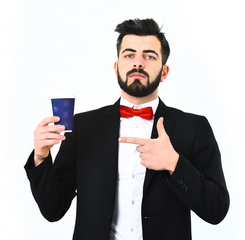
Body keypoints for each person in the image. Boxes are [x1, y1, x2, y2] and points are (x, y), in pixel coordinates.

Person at [24, 18, 229, 240]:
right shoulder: (83, 126)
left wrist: (174, 164)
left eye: (149, 56)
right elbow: (53, 209)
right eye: (129, 55)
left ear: (164, 71)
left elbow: (216, 210)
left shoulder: (195, 128)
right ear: (117, 67)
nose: (138, 63)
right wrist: (41, 156)